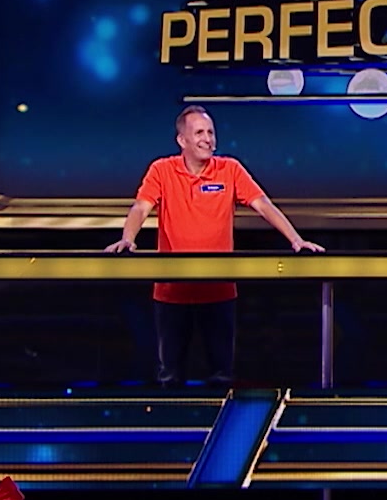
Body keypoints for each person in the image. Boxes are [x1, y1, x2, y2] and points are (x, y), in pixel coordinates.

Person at [106, 105, 323, 386]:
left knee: (222, 377)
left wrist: (296, 240)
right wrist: (128, 238)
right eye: (199, 133)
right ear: (182, 140)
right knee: (170, 377)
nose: (207, 139)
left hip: (219, 292)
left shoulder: (229, 169)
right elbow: (140, 207)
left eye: (210, 132)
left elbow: (263, 205)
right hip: (172, 294)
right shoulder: (161, 170)